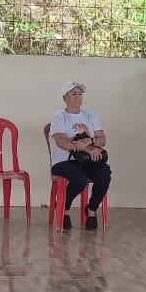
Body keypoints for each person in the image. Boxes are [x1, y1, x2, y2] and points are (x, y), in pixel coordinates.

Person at [48, 81, 110, 230]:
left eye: (80, 94)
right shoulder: (59, 116)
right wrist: (86, 148)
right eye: (73, 94)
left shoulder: (90, 115)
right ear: (65, 98)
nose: (77, 97)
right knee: (79, 179)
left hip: (87, 161)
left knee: (104, 176)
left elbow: (102, 139)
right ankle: (64, 208)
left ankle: (91, 209)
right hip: (63, 162)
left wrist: (91, 141)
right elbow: (61, 142)